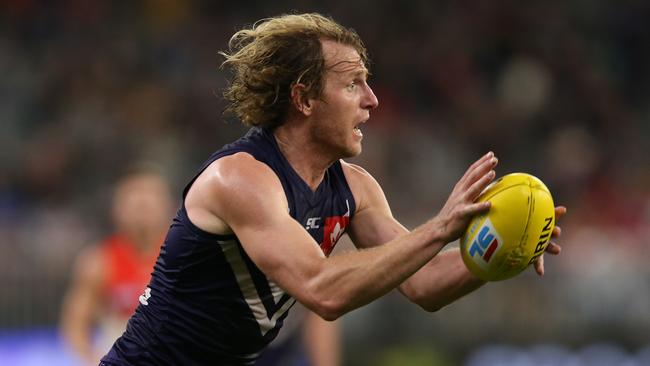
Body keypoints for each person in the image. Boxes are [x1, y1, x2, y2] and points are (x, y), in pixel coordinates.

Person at [100, 13, 565, 366]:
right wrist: (442, 228)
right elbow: (322, 290)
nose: (372, 100)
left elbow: (423, 284)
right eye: (353, 84)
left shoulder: (354, 188)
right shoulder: (239, 178)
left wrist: (501, 253)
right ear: (303, 98)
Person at [60, 167, 175, 365]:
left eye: (148, 203)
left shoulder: (183, 257)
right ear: (116, 210)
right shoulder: (99, 261)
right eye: (135, 203)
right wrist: (91, 359)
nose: (142, 210)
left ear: (168, 207)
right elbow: (75, 323)